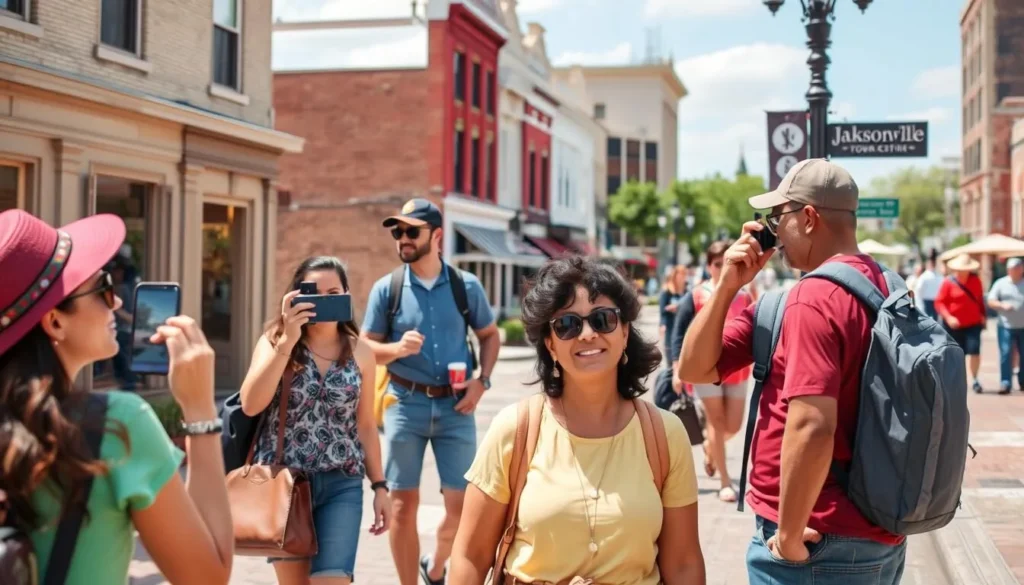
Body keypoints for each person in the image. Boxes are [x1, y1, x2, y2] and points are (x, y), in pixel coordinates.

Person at [678, 159, 907, 584]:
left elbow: (813, 425)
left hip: (817, 540)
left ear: (809, 217)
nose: (772, 231)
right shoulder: (890, 286)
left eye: (777, 218)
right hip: (879, 527)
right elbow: (695, 366)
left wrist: (786, 537)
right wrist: (730, 285)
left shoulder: (812, 298)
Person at [0, 209, 233, 584]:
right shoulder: (117, 425)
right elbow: (207, 578)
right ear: (55, 321)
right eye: (102, 287)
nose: (117, 303)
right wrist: (200, 408)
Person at [449, 256, 705, 585]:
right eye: (567, 325)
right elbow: (471, 555)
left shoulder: (665, 435)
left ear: (625, 332)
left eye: (602, 320)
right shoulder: (515, 428)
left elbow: (683, 563)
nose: (586, 334)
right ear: (550, 345)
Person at [361, 199, 500, 585]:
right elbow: (363, 346)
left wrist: (482, 381)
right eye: (397, 232)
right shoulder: (385, 290)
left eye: (411, 231)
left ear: (436, 236)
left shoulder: (465, 286)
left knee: (463, 506)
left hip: (458, 407)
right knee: (403, 507)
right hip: (405, 404)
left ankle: (436, 565)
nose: (402, 239)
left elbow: (489, 335)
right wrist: (396, 349)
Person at [239, 256, 391, 584]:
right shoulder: (274, 341)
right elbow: (250, 405)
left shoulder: (361, 352)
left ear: (346, 295)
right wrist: (287, 340)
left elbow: (365, 425)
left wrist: (380, 486)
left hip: (342, 483)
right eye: (313, 292)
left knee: (332, 579)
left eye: (332, 291)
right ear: (296, 296)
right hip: (285, 484)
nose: (322, 300)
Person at [669, 240, 754, 503]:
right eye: (717, 264)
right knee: (716, 422)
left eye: (726, 262)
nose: (722, 268)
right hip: (705, 368)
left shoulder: (744, 296)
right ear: (709, 266)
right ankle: (725, 483)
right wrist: (676, 369)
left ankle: (710, 447)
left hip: (737, 370)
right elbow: (679, 333)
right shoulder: (696, 295)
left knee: (733, 425)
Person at [934, 254, 987, 393]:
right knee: (957, 354)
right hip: (953, 326)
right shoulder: (948, 282)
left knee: (975, 351)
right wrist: (949, 317)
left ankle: (975, 379)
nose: (963, 271)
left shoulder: (976, 281)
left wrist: (983, 315)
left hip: (973, 323)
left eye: (966, 269)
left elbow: (979, 300)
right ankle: (957, 381)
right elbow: (939, 303)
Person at [987, 257, 1024, 395]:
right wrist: (1002, 305)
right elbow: (991, 301)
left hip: (1023, 326)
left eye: (1018, 268)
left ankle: (1022, 381)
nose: (1015, 270)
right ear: (1008, 270)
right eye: (1013, 268)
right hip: (1005, 325)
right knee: (1006, 353)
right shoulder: (1000, 283)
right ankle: (1005, 382)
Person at [658, 265, 688, 362]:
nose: (682, 277)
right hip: (670, 326)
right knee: (671, 358)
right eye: (680, 274)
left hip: (683, 327)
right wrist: (662, 325)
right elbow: (663, 311)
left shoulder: (687, 292)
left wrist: (678, 307)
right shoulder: (667, 291)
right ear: (675, 275)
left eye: (684, 275)